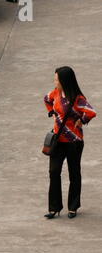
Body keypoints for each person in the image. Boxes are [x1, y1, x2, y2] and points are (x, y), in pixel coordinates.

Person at [43, 67, 96, 219]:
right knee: (54, 172)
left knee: (74, 173)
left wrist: (82, 120)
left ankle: (73, 207)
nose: (55, 82)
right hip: (57, 141)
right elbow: (46, 99)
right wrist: (52, 113)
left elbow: (91, 112)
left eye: (57, 80)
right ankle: (54, 208)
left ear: (64, 81)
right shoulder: (55, 93)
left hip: (74, 142)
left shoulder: (77, 98)